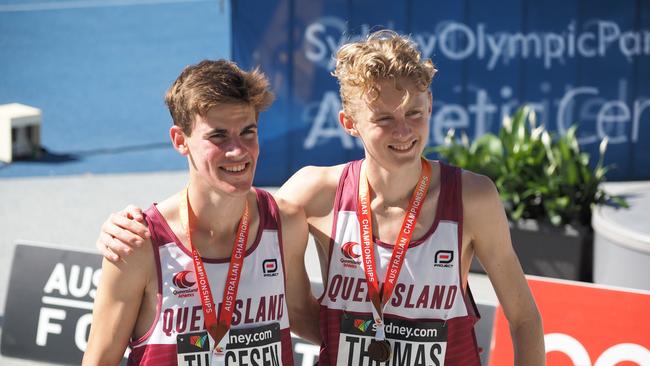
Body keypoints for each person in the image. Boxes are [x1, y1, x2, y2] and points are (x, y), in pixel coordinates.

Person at [96, 31, 545, 365]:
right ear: (349, 123)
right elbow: (228, 203)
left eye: (414, 112)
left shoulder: (473, 198)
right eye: (384, 118)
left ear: (430, 105)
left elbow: (524, 319)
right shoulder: (311, 195)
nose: (404, 131)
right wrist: (126, 225)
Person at [83, 60, 319, 366]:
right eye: (218, 137)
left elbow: (302, 315)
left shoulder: (284, 223)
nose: (238, 151)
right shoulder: (138, 243)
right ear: (180, 141)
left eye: (248, 132)